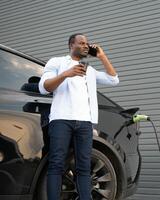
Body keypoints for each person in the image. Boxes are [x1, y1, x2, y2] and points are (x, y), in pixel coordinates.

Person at [38, 33, 119, 200]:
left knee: (84, 167)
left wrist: (102, 56)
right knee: (56, 165)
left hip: (85, 123)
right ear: (71, 45)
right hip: (61, 120)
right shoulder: (57, 62)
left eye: (87, 44)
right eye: (81, 43)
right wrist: (66, 74)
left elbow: (113, 80)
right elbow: (44, 87)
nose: (85, 46)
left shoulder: (89, 70)